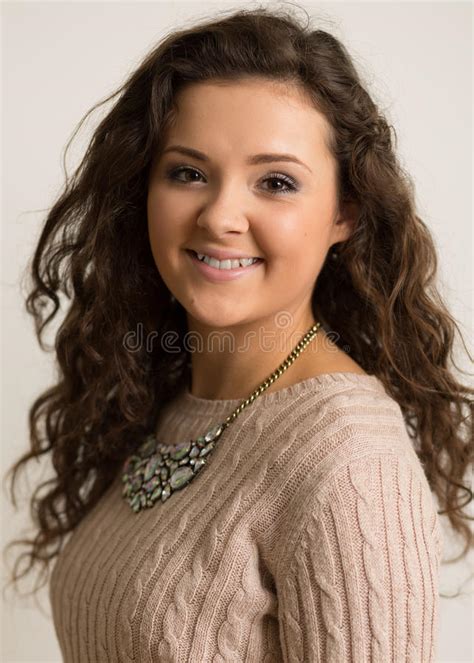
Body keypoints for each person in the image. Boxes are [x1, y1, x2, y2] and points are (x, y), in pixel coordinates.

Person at [4, 6, 473, 662]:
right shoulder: (168, 397)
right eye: (188, 172)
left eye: (276, 182)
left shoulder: (349, 462)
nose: (221, 214)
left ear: (345, 212)